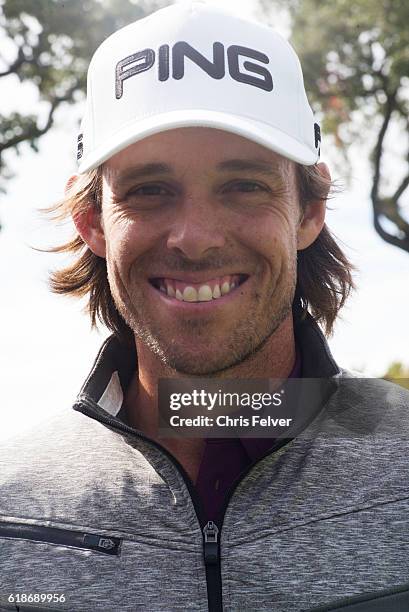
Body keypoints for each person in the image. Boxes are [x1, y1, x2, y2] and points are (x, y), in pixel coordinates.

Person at [1, 3, 409, 611]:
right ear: (93, 223)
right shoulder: (13, 508)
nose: (195, 237)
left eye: (244, 184)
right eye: (149, 190)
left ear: (309, 211)